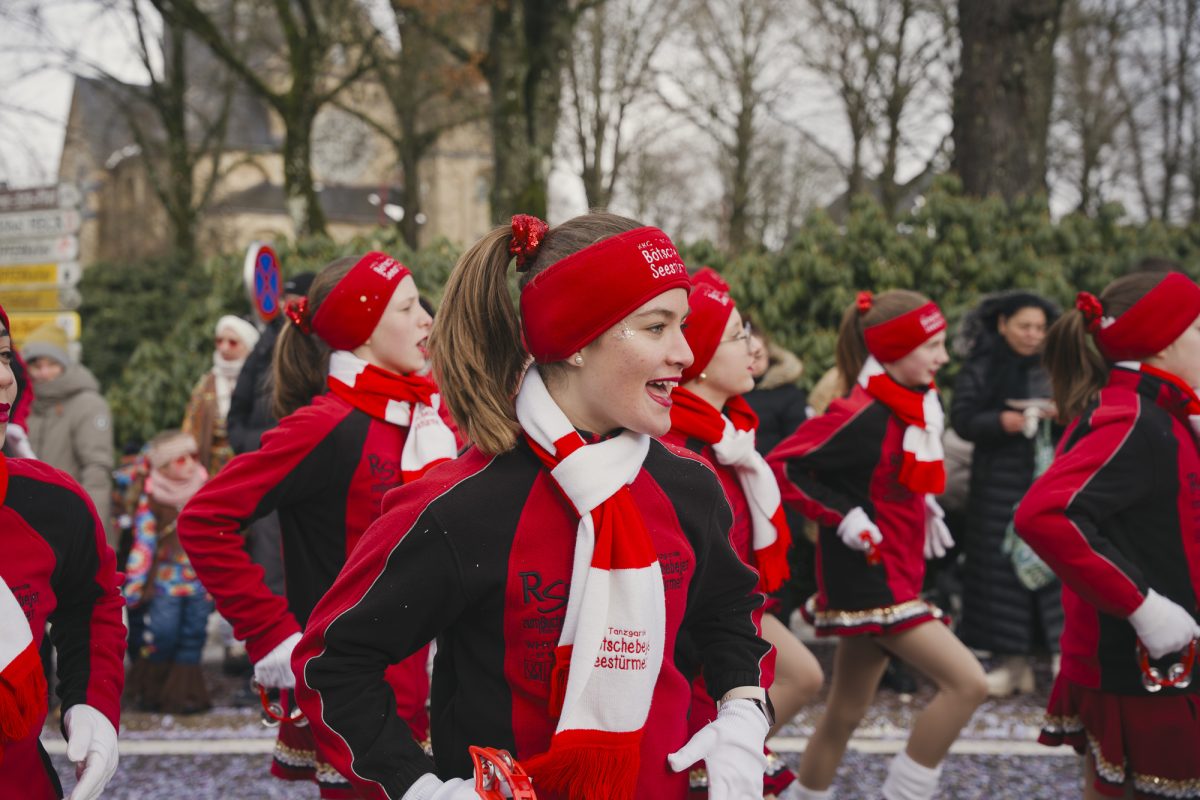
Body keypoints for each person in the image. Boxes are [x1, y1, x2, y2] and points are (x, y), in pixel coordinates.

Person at [292, 212, 775, 800]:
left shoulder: (689, 487)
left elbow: (729, 617)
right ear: (575, 342)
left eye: (685, 326)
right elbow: (332, 662)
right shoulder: (461, 506)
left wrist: (743, 715)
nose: (684, 353)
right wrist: (420, 788)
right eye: (656, 327)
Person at [178, 252, 458, 798]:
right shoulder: (324, 425)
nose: (428, 318)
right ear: (363, 330)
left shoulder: (434, 417)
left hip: (438, 689)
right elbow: (204, 518)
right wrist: (271, 634)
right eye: (408, 307)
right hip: (358, 699)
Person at [769, 290, 988, 800]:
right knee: (968, 683)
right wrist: (844, 518)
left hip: (895, 571)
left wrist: (921, 506)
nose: (943, 358)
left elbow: (887, 477)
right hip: (873, 579)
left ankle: (807, 794)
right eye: (932, 346)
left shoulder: (915, 404)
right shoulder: (862, 412)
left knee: (846, 711)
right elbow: (784, 465)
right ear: (892, 350)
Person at [1015, 270, 1200, 799]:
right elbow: (1043, 516)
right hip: (1144, 665)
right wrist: (1143, 606)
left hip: (1157, 662)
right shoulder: (1132, 417)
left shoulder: (1158, 410)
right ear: (1163, 342)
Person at [662, 268, 821, 798]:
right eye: (737, 336)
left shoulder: (732, 435)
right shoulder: (685, 447)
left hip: (733, 617)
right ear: (701, 361)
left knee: (806, 677)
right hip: (697, 645)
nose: (754, 347)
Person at [0, 304, 125, 800]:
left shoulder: (53, 504)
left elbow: (92, 603)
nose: (3, 378)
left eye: (5, 356)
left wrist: (90, 703)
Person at [951, 290, 1063, 695]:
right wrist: (1003, 421)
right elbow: (962, 418)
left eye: (1039, 327)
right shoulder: (982, 363)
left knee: (1059, 572)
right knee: (999, 576)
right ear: (1002, 324)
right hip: (996, 484)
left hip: (1052, 479)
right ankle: (1013, 665)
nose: (1033, 335)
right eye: (1024, 326)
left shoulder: (1059, 363)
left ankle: (1061, 663)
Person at [123, 430, 212, 714]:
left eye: (193, 456)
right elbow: (144, 544)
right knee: (163, 635)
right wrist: (134, 585)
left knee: (194, 637)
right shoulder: (152, 498)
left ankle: (185, 694)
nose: (189, 464)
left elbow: (217, 536)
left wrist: (219, 581)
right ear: (162, 467)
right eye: (180, 459)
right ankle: (153, 688)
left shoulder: (206, 487)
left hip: (199, 581)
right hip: (164, 584)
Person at [22, 322, 115, 548]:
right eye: (36, 365)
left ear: (65, 364)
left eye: (52, 364)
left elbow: (97, 472)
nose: (44, 373)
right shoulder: (23, 403)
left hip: (70, 526)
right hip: (28, 527)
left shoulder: (87, 404)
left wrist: (92, 535)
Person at [183, 314, 260, 476]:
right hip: (213, 471)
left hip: (251, 465)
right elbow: (190, 429)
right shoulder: (206, 383)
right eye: (219, 341)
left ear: (248, 345)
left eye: (232, 342)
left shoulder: (260, 380)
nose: (224, 348)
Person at [744, 326, 809, 455]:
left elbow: (798, 441)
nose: (751, 362)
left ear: (768, 354)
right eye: (746, 356)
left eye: (758, 356)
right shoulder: (728, 392)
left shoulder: (788, 393)